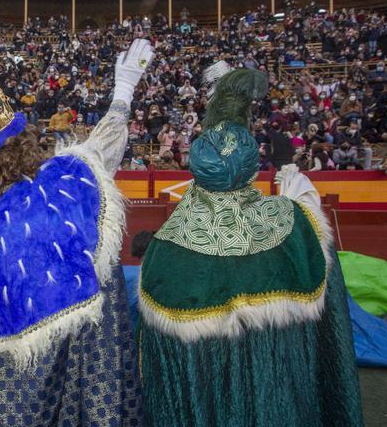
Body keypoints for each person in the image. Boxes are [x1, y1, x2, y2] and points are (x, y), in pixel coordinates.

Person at [0, 40, 154, 426]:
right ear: (22, 140)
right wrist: (123, 91)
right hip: (61, 366)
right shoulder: (57, 189)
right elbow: (100, 150)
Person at [138, 68, 363, 426]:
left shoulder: (165, 247)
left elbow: (158, 375)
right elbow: (331, 336)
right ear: (251, 168)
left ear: (196, 167)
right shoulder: (297, 222)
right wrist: (289, 169)